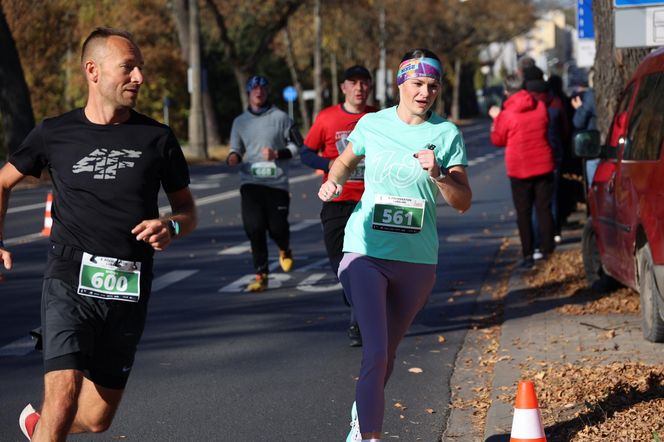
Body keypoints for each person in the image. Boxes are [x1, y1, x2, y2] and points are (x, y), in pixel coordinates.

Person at [0, 27, 197, 441]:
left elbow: (187, 210)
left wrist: (172, 225)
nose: (139, 77)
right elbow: (2, 182)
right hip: (69, 278)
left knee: (95, 419)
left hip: (129, 283)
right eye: (129, 67)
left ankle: (41, 428)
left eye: (140, 68)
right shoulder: (54, 132)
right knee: (64, 393)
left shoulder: (157, 137)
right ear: (93, 70)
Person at [319, 48, 472, 442]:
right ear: (401, 83)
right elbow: (345, 161)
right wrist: (334, 180)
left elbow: (462, 201)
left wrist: (439, 174)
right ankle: (368, 436)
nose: (425, 93)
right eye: (418, 83)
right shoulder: (373, 124)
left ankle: (359, 417)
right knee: (374, 350)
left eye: (433, 86)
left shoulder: (447, 134)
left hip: (417, 262)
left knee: (386, 355)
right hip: (364, 251)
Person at [301, 65, 377, 347]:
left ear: (369, 87)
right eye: (353, 83)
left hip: (370, 200)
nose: (359, 88)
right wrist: (328, 163)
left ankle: (358, 322)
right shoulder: (327, 118)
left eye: (364, 83)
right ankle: (354, 296)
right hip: (336, 199)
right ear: (343, 87)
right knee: (339, 262)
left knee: (365, 261)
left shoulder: (379, 117)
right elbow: (306, 153)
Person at [227, 75, 302, 292]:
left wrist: (278, 153)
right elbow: (235, 148)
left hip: (277, 183)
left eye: (262, 89)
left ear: (267, 91)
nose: (258, 93)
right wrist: (233, 157)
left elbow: (299, 145)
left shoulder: (281, 118)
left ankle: (284, 248)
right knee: (254, 228)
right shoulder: (240, 122)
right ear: (249, 93)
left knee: (277, 228)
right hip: (250, 182)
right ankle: (261, 275)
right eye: (254, 89)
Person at [489, 74, 555, 268]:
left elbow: (498, 140)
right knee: (544, 209)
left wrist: (495, 120)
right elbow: (546, 124)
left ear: (507, 91)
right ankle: (548, 249)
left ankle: (528, 253)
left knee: (523, 213)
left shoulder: (507, 114)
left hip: (520, 168)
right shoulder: (540, 106)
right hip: (543, 163)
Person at [571, 68, 598, 188]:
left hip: (595, 146)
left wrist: (579, 108)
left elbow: (578, 122)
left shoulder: (590, 95)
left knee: (594, 186)